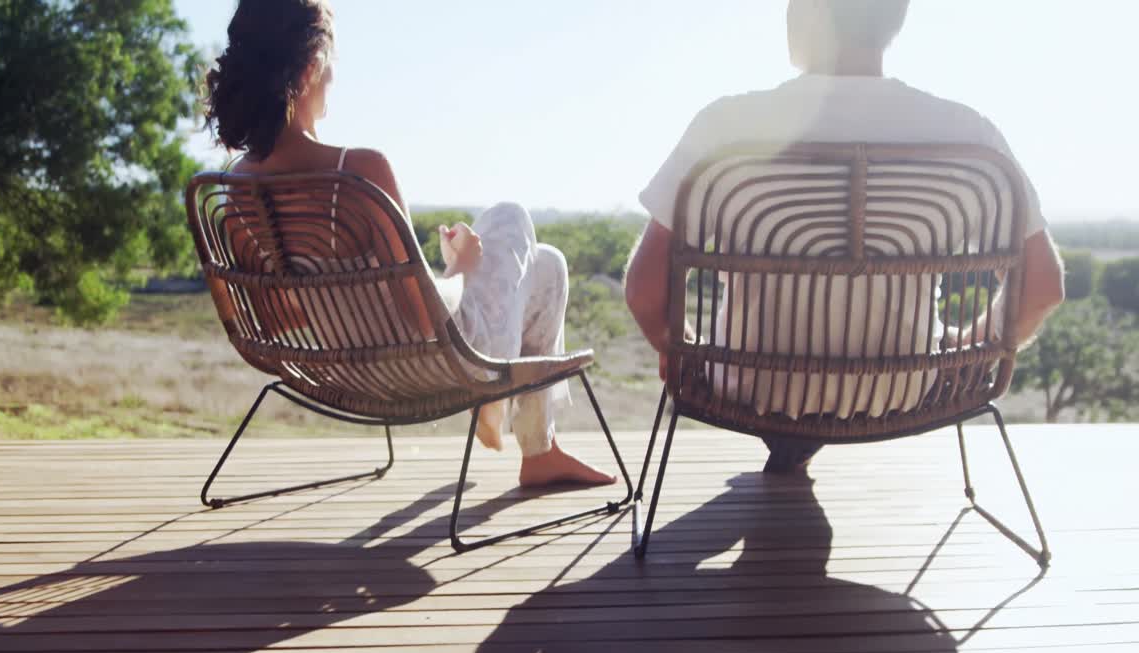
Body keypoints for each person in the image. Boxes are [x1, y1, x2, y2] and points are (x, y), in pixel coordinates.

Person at [624, 0, 1066, 474]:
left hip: (747, 383)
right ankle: (798, 446)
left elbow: (644, 290)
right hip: (901, 388)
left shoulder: (726, 124)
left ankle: (792, 440)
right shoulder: (969, 132)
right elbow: (1042, 288)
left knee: (762, 375)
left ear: (812, 12)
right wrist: (969, 345)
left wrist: (683, 348)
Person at [203, 0, 614, 488]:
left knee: (548, 265)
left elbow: (276, 320)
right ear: (312, 67)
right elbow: (423, 320)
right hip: (438, 363)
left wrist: (334, 300)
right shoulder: (357, 171)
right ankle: (496, 404)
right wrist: (459, 269)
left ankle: (540, 452)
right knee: (510, 217)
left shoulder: (238, 190)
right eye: (332, 65)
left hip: (343, 370)